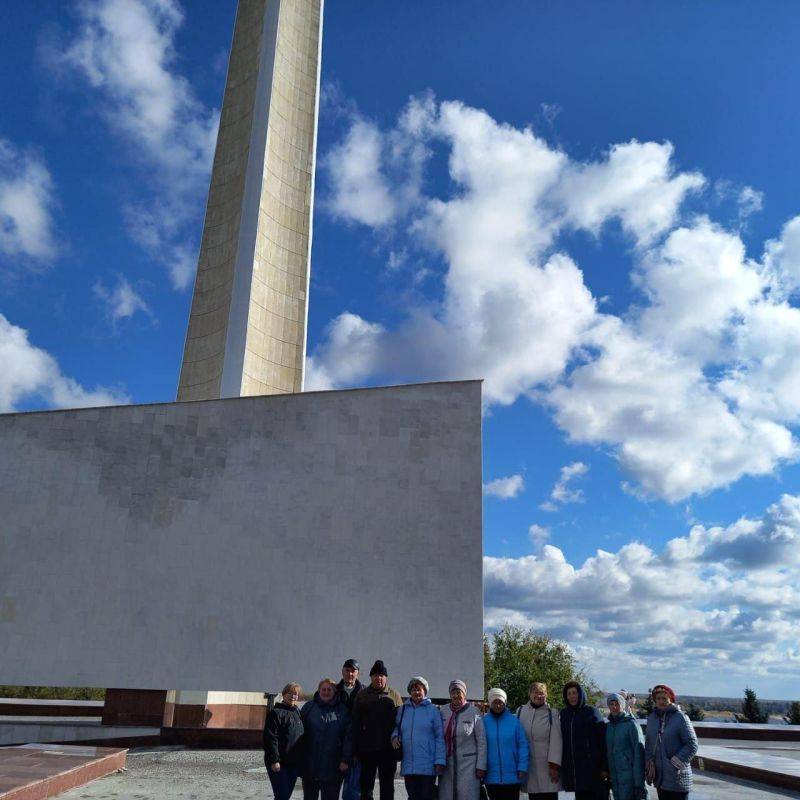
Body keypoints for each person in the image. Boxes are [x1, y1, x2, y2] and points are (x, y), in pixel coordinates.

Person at [352, 660, 403, 800]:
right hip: (367, 750)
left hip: (388, 751)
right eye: (375, 675)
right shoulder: (362, 695)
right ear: (371, 677)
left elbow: (401, 724)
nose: (378, 678)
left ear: (386, 677)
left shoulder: (394, 695)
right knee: (366, 788)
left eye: (381, 675)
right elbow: (355, 723)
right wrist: (355, 750)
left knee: (387, 788)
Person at [391, 676, 446, 800]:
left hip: (427, 766)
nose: (416, 692)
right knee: (412, 796)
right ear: (409, 692)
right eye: (413, 689)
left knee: (426, 797)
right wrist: (394, 737)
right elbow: (397, 728)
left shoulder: (433, 711)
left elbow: (440, 737)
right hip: (409, 765)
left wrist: (440, 761)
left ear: (425, 691)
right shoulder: (403, 709)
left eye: (419, 689)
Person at [301, 678, 352, 800]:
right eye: (323, 689)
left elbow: (348, 737)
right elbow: (299, 733)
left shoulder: (343, 711)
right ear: (318, 691)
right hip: (310, 766)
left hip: (333, 768)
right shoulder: (309, 708)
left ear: (334, 691)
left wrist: (345, 759)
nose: (326, 692)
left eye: (329, 689)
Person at [644, 684, 698, 800]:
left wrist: (675, 762)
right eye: (658, 699)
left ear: (671, 699)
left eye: (664, 698)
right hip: (660, 777)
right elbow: (648, 743)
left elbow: (692, 744)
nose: (661, 701)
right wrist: (649, 763)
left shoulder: (680, 718)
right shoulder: (652, 719)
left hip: (678, 777)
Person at [559, 681, 608, 800]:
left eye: (574, 693)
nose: (572, 696)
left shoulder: (592, 712)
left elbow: (603, 741)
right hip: (576, 771)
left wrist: (604, 767)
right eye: (569, 693)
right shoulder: (564, 714)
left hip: (594, 769)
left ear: (580, 694)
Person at [438, 680, 487, 800]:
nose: (455, 695)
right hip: (447, 765)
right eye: (453, 692)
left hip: (469, 766)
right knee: (447, 796)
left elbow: (482, 741)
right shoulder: (443, 711)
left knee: (467, 796)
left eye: (458, 692)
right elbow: (438, 737)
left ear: (464, 693)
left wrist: (481, 766)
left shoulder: (474, 711)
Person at [517, 681, 562, 800]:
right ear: (530, 694)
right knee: (534, 796)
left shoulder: (552, 713)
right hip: (529, 767)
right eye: (535, 692)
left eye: (542, 693)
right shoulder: (521, 711)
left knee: (549, 796)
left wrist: (554, 767)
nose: (539, 696)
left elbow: (556, 742)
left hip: (548, 768)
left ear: (546, 695)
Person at [482, 687, 529, 800]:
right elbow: (480, 746)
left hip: (512, 777)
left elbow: (523, 745)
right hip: (491, 777)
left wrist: (522, 767)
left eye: (501, 702)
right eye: (495, 702)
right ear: (490, 703)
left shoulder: (514, 722)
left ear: (505, 703)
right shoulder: (483, 722)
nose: (498, 705)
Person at [264, 682, 305, 800]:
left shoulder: (297, 713)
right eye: (290, 693)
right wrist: (274, 760)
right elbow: (271, 738)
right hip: (279, 763)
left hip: (293, 763)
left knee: (285, 796)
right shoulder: (276, 713)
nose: (293, 696)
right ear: (284, 694)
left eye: (295, 694)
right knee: (282, 795)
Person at [605, 692, 646, 800]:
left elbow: (639, 753)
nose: (614, 707)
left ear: (622, 705)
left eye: (617, 704)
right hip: (615, 777)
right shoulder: (608, 727)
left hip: (629, 777)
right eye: (611, 704)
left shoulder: (631, 724)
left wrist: (639, 782)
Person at [337, 659, 364, 800]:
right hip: (334, 748)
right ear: (342, 671)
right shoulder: (334, 691)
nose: (350, 673)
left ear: (358, 673)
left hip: (356, 750)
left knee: (353, 791)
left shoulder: (365, 692)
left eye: (353, 671)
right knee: (331, 790)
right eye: (347, 670)